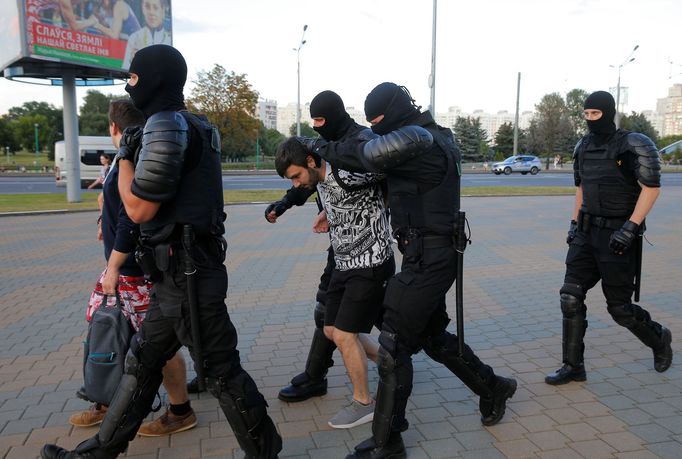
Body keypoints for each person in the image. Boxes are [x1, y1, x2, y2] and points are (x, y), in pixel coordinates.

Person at [41, 44, 281, 459]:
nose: (130, 85)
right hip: (176, 278)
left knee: (221, 372)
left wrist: (124, 158)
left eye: (134, 77)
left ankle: (266, 452)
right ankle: (99, 451)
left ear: (155, 80)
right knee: (142, 362)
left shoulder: (166, 126)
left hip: (188, 279)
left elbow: (137, 207)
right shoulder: (191, 124)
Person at [302, 82, 517, 459]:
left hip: (432, 256)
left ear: (397, 110)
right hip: (421, 253)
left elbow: (366, 154)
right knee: (432, 337)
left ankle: (388, 442)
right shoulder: (426, 135)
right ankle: (492, 386)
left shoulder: (420, 138)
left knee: (392, 345)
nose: (377, 128)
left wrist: (320, 147)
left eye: (380, 121)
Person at [72, 98, 198, 437]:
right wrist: (104, 216)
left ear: (113, 127)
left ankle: (180, 409)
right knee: (108, 330)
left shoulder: (135, 157)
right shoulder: (124, 159)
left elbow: (132, 218)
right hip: (125, 267)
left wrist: (113, 266)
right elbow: (118, 206)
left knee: (156, 342)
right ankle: (104, 398)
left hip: (131, 270)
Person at [275, 90, 397, 429]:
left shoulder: (348, 171)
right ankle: (392, 364)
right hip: (343, 263)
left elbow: (383, 172)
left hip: (370, 262)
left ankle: (365, 403)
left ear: (312, 163)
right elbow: (330, 196)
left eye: (297, 176)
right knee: (330, 329)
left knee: (344, 335)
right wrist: (328, 214)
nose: (298, 184)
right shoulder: (320, 177)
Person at [545, 90, 673, 386]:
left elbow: (651, 187)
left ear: (608, 112)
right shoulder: (583, 146)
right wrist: (574, 223)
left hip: (617, 236)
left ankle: (658, 339)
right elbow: (582, 189)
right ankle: (573, 366)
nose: (590, 119)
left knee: (619, 309)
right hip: (585, 234)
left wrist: (630, 227)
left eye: (595, 114)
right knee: (570, 297)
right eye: (586, 114)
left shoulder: (633, 144)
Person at [122, 0, 171, 69]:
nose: (151, 12)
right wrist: (132, 61)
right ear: (143, 8)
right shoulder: (134, 38)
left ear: (163, 10)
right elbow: (125, 69)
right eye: (147, 7)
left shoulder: (168, 41)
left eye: (156, 7)